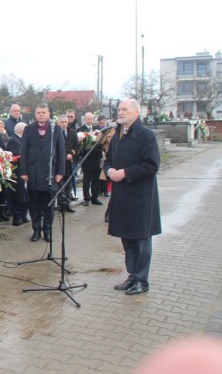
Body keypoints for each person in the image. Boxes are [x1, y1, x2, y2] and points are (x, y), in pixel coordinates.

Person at [104, 99, 161, 295]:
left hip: (141, 197)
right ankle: (132, 275)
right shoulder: (118, 136)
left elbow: (152, 165)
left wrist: (126, 173)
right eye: (119, 109)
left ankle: (141, 279)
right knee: (127, 238)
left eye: (124, 109)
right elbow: (108, 160)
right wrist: (109, 169)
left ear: (136, 113)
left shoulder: (146, 136)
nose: (120, 112)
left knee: (141, 240)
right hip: (122, 196)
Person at [18, 103, 65, 243]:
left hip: (50, 173)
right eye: (38, 112)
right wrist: (23, 171)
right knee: (34, 205)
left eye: (43, 112)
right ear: (35, 114)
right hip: (33, 172)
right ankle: (36, 230)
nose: (41, 114)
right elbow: (23, 151)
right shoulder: (29, 129)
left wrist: (60, 172)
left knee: (48, 205)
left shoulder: (55, 129)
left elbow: (61, 151)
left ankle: (47, 230)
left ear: (48, 114)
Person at [6, 122, 29, 225]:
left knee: (25, 195)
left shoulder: (23, 139)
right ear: (22, 130)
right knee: (19, 195)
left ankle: (23, 215)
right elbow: (18, 156)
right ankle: (17, 217)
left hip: (25, 171)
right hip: (18, 171)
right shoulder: (13, 140)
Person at [78, 112, 103, 207]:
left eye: (91, 119)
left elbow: (102, 142)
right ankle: (86, 198)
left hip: (96, 157)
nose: (90, 120)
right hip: (87, 158)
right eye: (88, 119)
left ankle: (95, 197)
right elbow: (79, 145)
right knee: (86, 179)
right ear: (84, 119)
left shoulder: (98, 129)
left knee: (96, 179)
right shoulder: (80, 130)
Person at [57, 114, 78, 213]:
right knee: (60, 184)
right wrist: (64, 155)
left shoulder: (73, 132)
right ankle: (61, 204)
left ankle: (67, 204)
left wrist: (71, 153)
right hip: (59, 163)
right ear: (58, 122)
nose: (64, 124)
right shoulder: (55, 133)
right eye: (62, 122)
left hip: (69, 162)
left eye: (65, 122)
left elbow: (77, 146)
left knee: (68, 184)